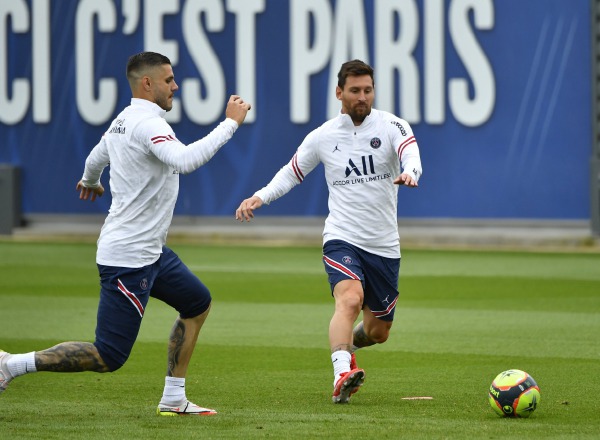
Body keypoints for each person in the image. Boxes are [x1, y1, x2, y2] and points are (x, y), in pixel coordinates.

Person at [0, 51, 250, 416]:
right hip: (128, 259)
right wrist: (230, 123)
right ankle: (11, 363)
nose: (175, 86)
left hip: (150, 251)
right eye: (169, 80)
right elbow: (185, 161)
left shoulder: (123, 121)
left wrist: (90, 182)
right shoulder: (148, 124)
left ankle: (174, 397)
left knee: (197, 303)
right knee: (108, 355)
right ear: (147, 84)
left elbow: (95, 157)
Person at [235, 59, 422, 404]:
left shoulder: (392, 125)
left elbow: (410, 153)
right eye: (355, 90)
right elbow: (291, 172)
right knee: (348, 298)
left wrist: (411, 172)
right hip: (341, 236)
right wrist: (260, 196)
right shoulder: (323, 136)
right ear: (339, 92)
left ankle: (345, 343)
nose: (362, 96)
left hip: (383, 245)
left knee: (379, 332)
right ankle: (341, 373)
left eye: (367, 90)